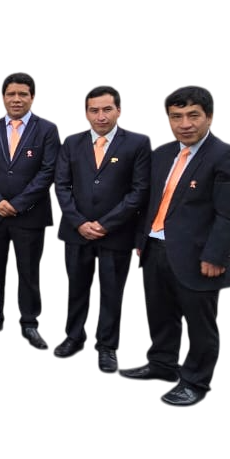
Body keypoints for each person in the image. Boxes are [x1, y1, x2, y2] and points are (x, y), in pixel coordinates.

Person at [119, 87, 230, 408]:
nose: (185, 124)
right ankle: (162, 364)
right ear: (168, 120)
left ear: (210, 117)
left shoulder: (228, 157)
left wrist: (216, 255)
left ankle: (195, 381)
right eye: (176, 116)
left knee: (200, 323)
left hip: (199, 256)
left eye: (193, 115)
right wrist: (141, 240)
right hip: (155, 249)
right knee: (160, 313)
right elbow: (149, 202)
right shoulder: (162, 154)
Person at [52, 88, 150, 373]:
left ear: (119, 110)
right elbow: (62, 185)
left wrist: (106, 224)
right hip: (77, 232)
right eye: (94, 110)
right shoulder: (72, 142)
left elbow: (139, 190)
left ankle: (107, 346)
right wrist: (79, 222)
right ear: (86, 114)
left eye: (107, 109)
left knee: (111, 292)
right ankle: (73, 337)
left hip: (116, 234)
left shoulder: (138, 143)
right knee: (76, 288)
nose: (101, 116)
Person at [0, 72, 60, 349]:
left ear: (32, 98)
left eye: (23, 94)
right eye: (11, 94)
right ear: (2, 98)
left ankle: (30, 323)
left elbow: (47, 171)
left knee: (29, 272)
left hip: (30, 215)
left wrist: (18, 203)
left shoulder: (47, 129)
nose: (16, 99)